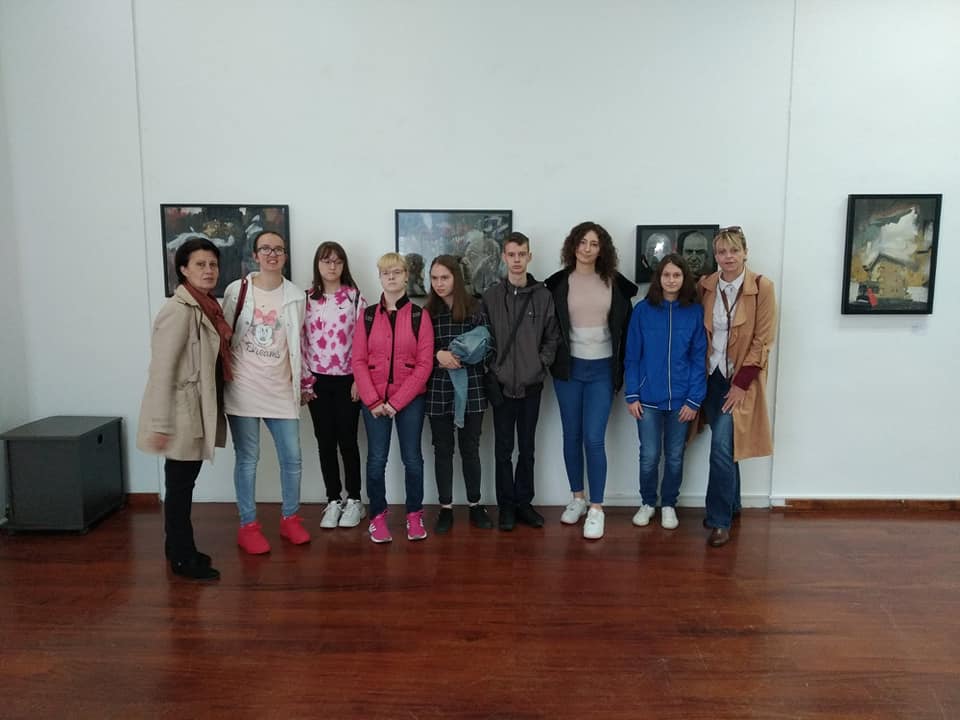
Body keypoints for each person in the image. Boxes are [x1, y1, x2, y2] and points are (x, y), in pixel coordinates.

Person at [137, 238, 228, 580]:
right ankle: (181, 557)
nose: (208, 270)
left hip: (194, 410)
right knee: (179, 488)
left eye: (213, 264)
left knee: (182, 485)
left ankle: (177, 546)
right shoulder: (178, 311)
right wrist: (161, 424)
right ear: (184, 269)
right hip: (181, 415)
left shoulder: (205, 306)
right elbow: (161, 372)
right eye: (200, 264)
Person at [545, 221, 638, 540]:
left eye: (594, 244)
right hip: (568, 371)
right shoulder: (557, 283)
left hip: (602, 371)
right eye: (582, 242)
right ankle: (578, 499)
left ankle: (597, 508)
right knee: (571, 435)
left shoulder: (616, 283)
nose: (587, 249)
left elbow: (626, 331)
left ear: (603, 250)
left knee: (594, 438)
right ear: (573, 246)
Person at [223, 230, 311, 554]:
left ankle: (291, 519)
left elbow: (299, 344)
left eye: (278, 249)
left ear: (285, 255)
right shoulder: (238, 290)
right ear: (255, 255)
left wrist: (304, 383)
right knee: (248, 459)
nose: (272, 254)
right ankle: (248, 526)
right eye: (266, 249)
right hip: (243, 388)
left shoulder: (296, 296)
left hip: (280, 389)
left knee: (293, 458)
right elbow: (225, 335)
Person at [698, 226, 777, 547]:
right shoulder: (706, 286)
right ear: (715, 256)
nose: (728, 257)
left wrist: (741, 384)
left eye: (734, 250)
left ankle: (719, 520)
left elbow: (763, 340)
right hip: (711, 379)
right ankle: (733, 504)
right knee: (727, 445)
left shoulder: (762, 287)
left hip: (742, 380)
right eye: (721, 252)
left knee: (720, 447)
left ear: (745, 252)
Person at [352, 253, 435, 543]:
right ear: (379, 277)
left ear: (406, 276)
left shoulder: (419, 316)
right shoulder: (367, 316)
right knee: (376, 460)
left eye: (397, 271)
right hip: (373, 402)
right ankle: (377, 517)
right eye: (386, 272)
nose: (391, 277)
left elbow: (424, 365)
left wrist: (397, 402)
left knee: (412, 459)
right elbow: (358, 360)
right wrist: (373, 401)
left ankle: (414, 515)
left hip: (409, 400)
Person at [482, 232, 560, 531]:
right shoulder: (490, 297)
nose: (516, 260)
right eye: (511, 254)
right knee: (503, 449)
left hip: (531, 385)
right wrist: (493, 369)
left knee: (527, 449)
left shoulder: (543, 296)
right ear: (504, 257)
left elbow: (552, 336)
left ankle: (524, 503)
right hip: (501, 386)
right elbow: (483, 338)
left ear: (529, 256)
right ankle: (506, 506)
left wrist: (539, 364)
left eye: (521, 254)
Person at [624, 253, 707, 530]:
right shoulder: (642, 311)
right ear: (659, 278)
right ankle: (648, 503)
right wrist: (632, 394)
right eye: (666, 275)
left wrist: (694, 399)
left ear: (684, 279)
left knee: (674, 456)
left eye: (677, 275)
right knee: (649, 456)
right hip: (647, 400)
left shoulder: (694, 312)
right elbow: (632, 356)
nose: (671, 280)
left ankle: (669, 503)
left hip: (682, 401)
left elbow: (699, 358)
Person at [424, 254, 494, 534]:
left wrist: (466, 354)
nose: (439, 283)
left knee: (470, 449)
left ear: (457, 278)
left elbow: (488, 346)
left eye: (445, 277)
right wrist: (437, 355)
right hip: (438, 389)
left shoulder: (476, 307)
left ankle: (475, 504)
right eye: (434, 278)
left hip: (472, 388)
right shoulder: (427, 312)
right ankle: (446, 508)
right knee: (442, 450)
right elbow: (416, 352)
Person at [301, 241, 368, 530]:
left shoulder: (355, 298)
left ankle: (354, 499)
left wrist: (359, 379)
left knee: (348, 441)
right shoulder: (306, 299)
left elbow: (364, 342)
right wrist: (305, 382)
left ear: (344, 265)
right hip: (317, 380)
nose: (332, 266)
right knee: (325, 441)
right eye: (326, 261)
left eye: (337, 261)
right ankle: (333, 499)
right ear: (317, 264)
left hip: (347, 380)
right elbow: (300, 341)